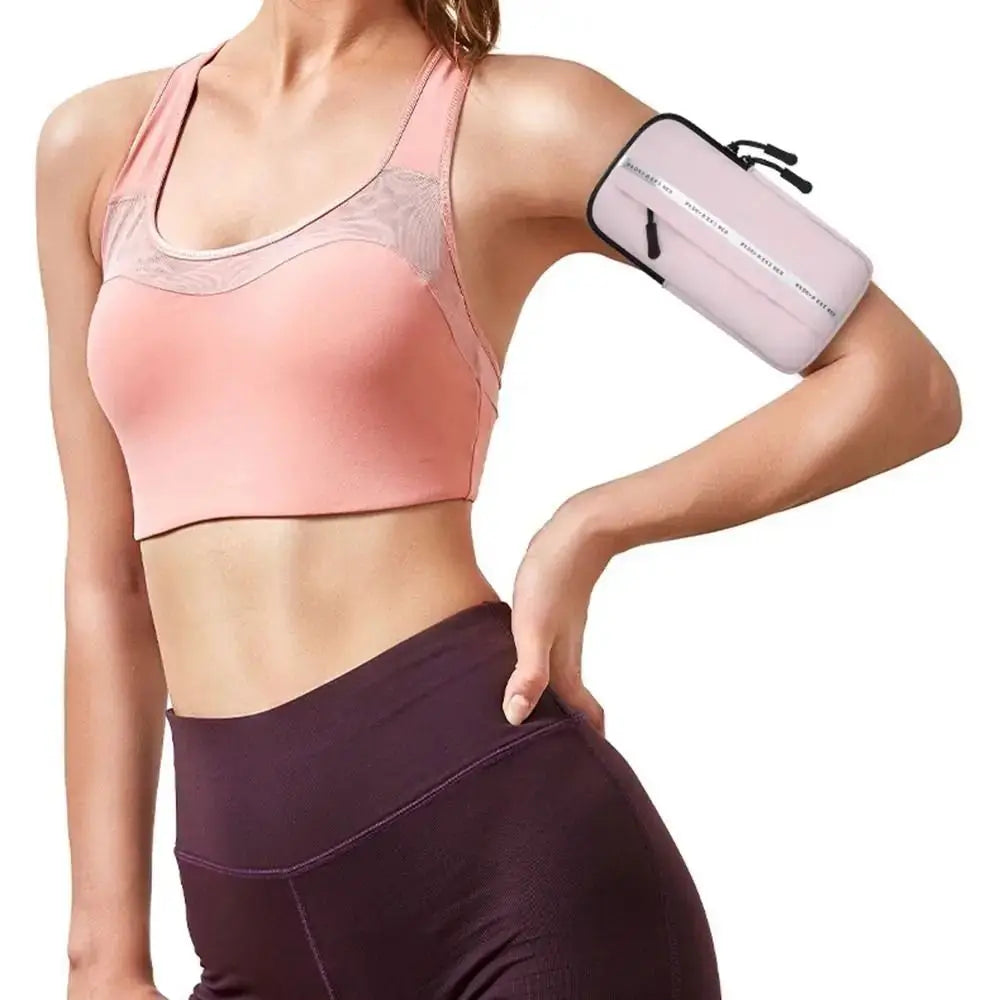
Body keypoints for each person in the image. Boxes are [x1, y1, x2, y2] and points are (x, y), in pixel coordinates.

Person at [36, 1, 961, 998]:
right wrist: (102, 956)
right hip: (246, 925)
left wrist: (594, 524)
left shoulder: (528, 119)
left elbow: (899, 379)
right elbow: (107, 578)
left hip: (511, 881)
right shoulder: (98, 147)